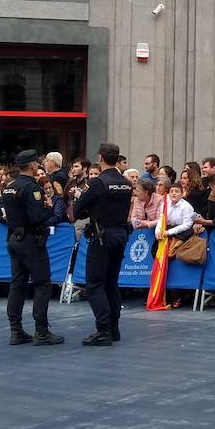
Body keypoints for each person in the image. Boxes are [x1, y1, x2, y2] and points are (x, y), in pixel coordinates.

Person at [0, 151, 63, 346]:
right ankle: (41, 331)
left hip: (14, 238)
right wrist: (49, 209)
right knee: (42, 284)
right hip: (30, 240)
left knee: (17, 284)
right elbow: (36, 217)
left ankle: (16, 330)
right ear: (32, 165)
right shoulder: (32, 189)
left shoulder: (10, 187)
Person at [74, 143, 133, 347]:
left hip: (102, 235)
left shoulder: (98, 183)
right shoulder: (126, 183)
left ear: (100, 157)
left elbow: (78, 209)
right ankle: (114, 328)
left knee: (95, 284)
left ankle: (103, 329)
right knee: (111, 283)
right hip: (120, 234)